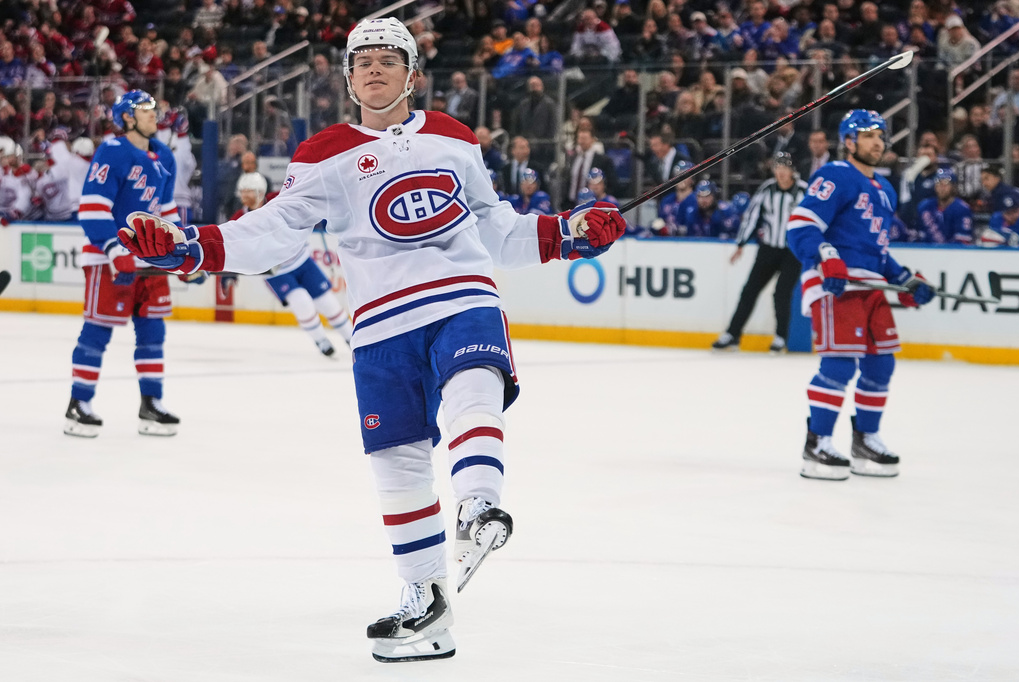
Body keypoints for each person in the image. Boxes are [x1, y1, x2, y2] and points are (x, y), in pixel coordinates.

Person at [116, 17, 626, 663]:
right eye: (363, 62)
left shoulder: (452, 136)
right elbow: (273, 230)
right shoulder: (322, 151)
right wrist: (192, 247)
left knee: (475, 384)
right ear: (349, 79)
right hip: (380, 323)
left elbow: (498, 227)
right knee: (398, 458)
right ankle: (427, 605)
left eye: (389, 59)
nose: (374, 69)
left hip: (460, 294)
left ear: (413, 74)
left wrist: (570, 233)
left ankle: (478, 506)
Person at [786, 110, 936, 481]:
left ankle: (865, 439)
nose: (877, 142)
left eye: (880, 136)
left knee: (881, 364)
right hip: (837, 285)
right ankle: (817, 444)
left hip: (870, 288)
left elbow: (878, 253)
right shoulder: (835, 175)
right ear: (849, 141)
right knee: (839, 364)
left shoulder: (884, 190)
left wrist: (906, 280)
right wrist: (828, 258)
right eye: (867, 135)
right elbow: (801, 226)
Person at [64, 90, 197, 439]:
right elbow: (92, 207)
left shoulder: (164, 155)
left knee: (154, 331)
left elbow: (165, 214)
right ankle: (78, 406)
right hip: (110, 261)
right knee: (97, 331)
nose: (154, 115)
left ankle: (150, 405)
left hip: (149, 262)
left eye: (155, 109)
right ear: (126, 117)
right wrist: (112, 249)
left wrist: (183, 255)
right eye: (145, 110)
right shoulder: (111, 151)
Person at [227, 172, 353, 355]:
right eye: (242, 191)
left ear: (260, 192)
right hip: (276, 271)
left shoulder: (277, 201)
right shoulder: (239, 217)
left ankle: (351, 338)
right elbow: (232, 245)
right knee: (301, 302)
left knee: (328, 302)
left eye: (250, 191)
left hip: (301, 259)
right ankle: (321, 341)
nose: (245, 196)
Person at [713, 152, 807, 354]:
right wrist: (741, 244)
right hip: (769, 248)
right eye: (777, 168)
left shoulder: (803, 191)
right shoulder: (767, 189)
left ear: (792, 170)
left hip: (792, 252)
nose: (780, 172)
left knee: (781, 293)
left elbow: (812, 221)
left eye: (784, 168)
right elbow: (751, 217)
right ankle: (732, 334)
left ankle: (781, 337)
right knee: (749, 291)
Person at [916, 168, 974, 244]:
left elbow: (963, 241)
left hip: (953, 253)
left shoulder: (962, 209)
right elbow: (919, 236)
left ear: (953, 187)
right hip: (928, 252)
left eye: (946, 183)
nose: (941, 187)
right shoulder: (925, 206)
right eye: (938, 183)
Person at [654, 160, 694, 236]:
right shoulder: (666, 200)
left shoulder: (697, 201)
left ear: (692, 179)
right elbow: (660, 222)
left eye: (685, 176)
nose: (680, 179)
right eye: (677, 175)